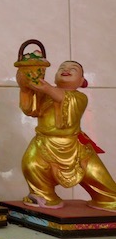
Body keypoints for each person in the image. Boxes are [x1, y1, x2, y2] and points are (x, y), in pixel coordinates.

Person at [18, 60, 116, 211]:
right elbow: (30, 109)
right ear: (55, 77)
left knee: (96, 175)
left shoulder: (80, 98)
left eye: (73, 69)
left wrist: (47, 88)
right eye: (62, 68)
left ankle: (109, 199)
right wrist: (25, 88)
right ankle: (44, 196)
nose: (66, 70)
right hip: (43, 142)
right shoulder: (45, 95)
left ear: (81, 81)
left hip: (74, 146)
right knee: (31, 164)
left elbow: (63, 98)